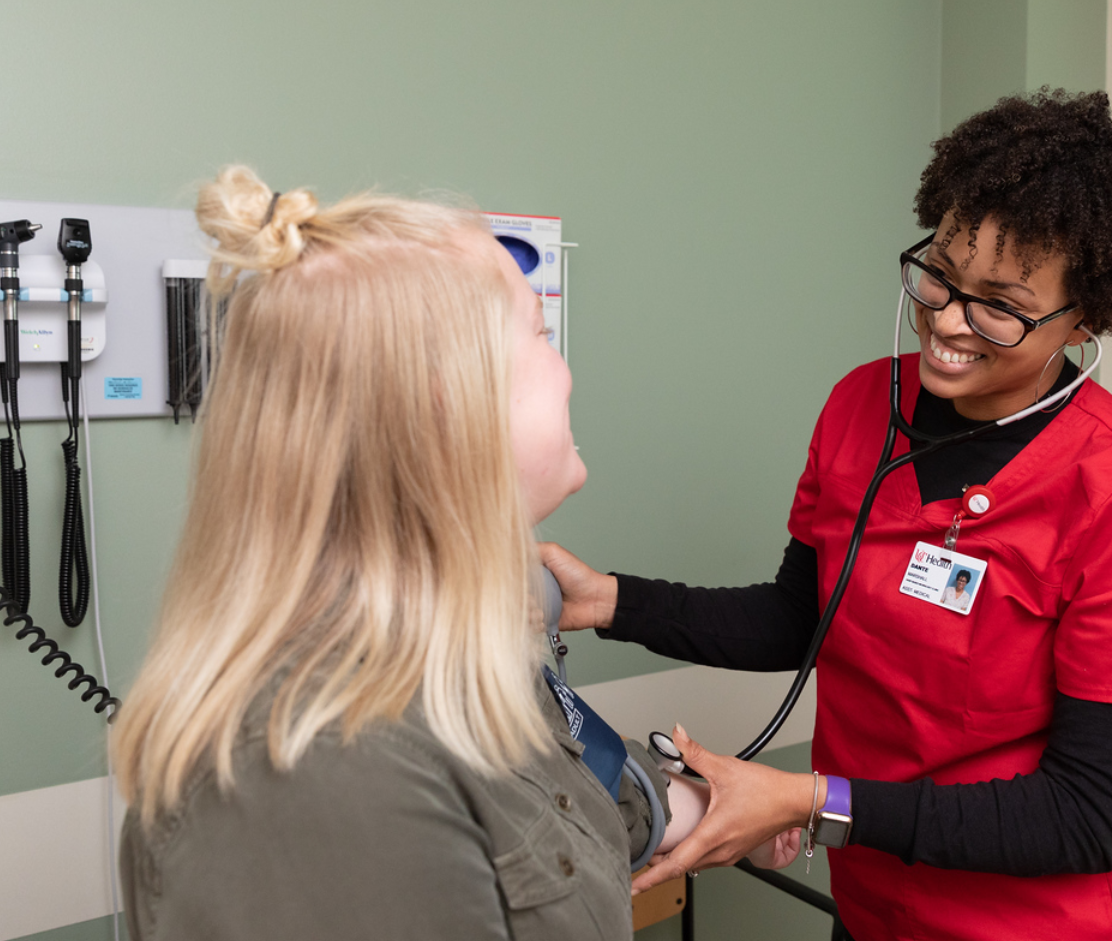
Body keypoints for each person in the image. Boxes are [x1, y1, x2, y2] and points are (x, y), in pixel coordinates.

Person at [544, 90, 1112, 940]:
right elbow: (802, 618)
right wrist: (607, 601)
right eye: (939, 273)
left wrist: (813, 800)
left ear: (1084, 316)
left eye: (1000, 305)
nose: (947, 319)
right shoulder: (864, 402)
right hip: (875, 906)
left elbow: (1087, 817)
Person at [111, 166, 689, 940]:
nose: (565, 369)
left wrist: (721, 805)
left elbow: (565, 814)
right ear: (449, 404)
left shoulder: (453, 662)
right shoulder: (313, 773)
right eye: (541, 337)